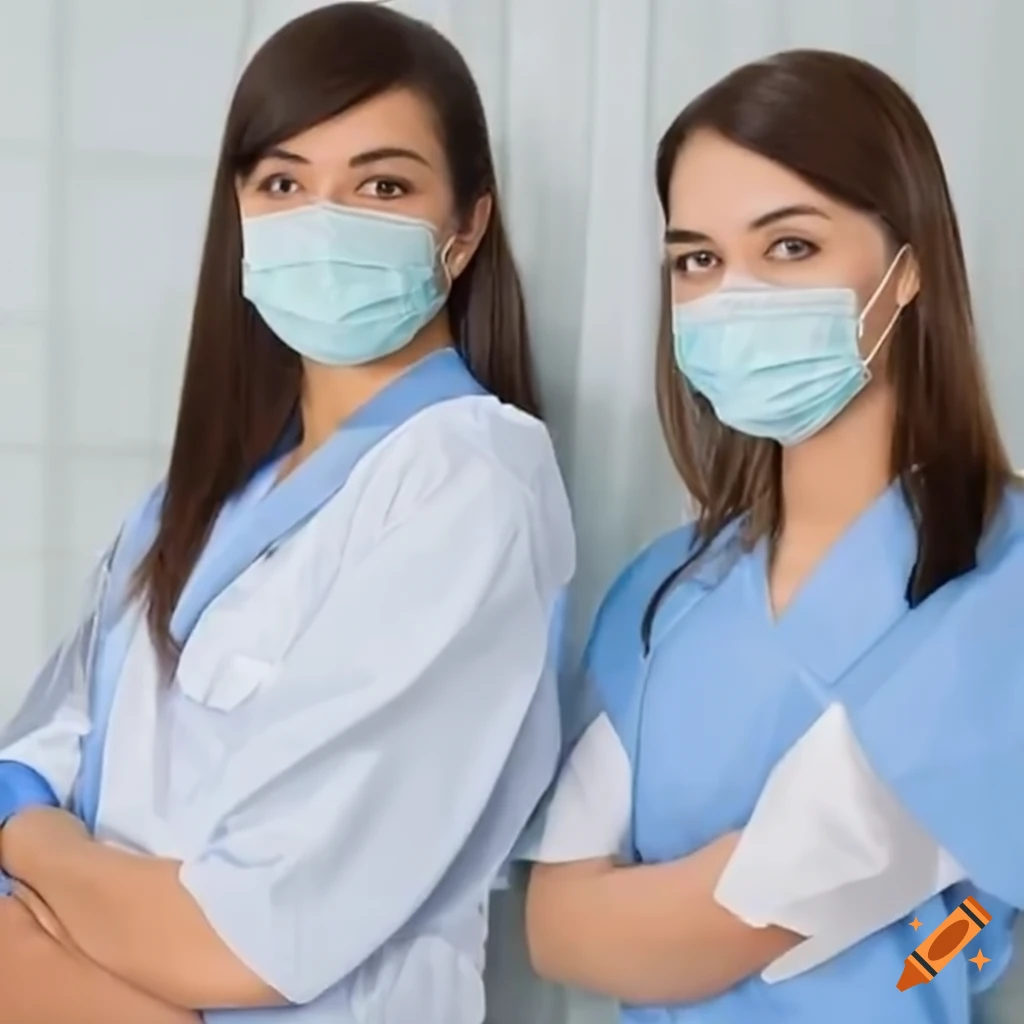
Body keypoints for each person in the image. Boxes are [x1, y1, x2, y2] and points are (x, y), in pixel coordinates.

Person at [0, 4, 574, 1022]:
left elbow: (243, 938)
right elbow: (34, 757)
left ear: (467, 227)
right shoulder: (193, 504)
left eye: (382, 184)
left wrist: (35, 895)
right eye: (283, 182)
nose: (325, 218)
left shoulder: (467, 479)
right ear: (241, 212)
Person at [522, 49, 1023, 1023]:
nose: (734, 294)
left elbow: (753, 903)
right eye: (697, 259)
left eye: (789, 246)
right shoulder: (660, 591)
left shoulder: (1005, 576)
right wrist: (723, 891)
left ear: (905, 271)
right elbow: (555, 929)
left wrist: (679, 900)